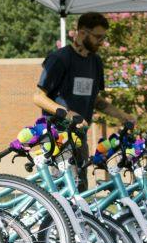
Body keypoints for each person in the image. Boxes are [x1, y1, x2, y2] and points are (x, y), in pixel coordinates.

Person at [33, 12, 125, 184]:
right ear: (82, 33)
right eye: (98, 36)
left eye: (103, 37)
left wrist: (123, 116)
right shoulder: (59, 59)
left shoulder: (95, 62)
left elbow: (95, 100)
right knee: (66, 190)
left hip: (79, 136)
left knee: (81, 187)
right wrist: (68, 114)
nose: (101, 42)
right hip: (57, 136)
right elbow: (38, 97)